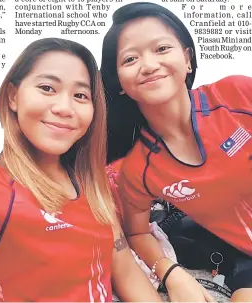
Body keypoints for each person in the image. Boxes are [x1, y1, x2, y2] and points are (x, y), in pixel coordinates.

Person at [0, 38, 162, 302]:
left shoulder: (91, 181)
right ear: (12, 96)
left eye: (80, 95)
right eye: (47, 88)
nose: (64, 108)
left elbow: (121, 262)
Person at [101, 2, 252, 302]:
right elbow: (138, 233)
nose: (148, 64)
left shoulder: (237, 94)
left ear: (187, 60)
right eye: (131, 58)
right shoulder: (138, 169)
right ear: (119, 82)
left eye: (161, 49)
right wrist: (171, 273)